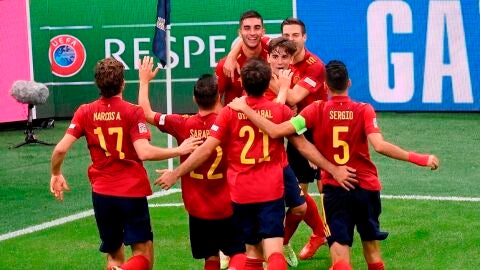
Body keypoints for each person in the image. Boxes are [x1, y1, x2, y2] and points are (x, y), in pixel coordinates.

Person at [227, 60, 440, 270]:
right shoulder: (364, 110)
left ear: (326, 87)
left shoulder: (314, 110)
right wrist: (420, 158)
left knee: (340, 260)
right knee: (373, 252)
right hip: (365, 188)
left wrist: (246, 109)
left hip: (335, 190)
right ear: (349, 83)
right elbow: (380, 146)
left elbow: (275, 131)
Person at [155, 58, 356, 270]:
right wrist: (333, 169)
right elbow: (304, 147)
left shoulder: (229, 112)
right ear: (269, 81)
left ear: (242, 83)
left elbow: (206, 150)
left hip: (241, 192)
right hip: (270, 189)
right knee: (274, 252)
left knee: (251, 252)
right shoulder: (280, 111)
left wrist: (176, 173)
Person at [49, 57, 202, 270]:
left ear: (98, 84)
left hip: (102, 194)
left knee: (114, 256)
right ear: (122, 83)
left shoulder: (84, 111)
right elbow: (144, 152)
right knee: (143, 255)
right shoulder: (132, 111)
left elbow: (60, 149)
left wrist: (56, 173)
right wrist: (179, 149)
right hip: (130, 192)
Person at [224, 18, 330, 261]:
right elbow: (243, 37)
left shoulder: (313, 67)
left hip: (302, 129)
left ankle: (290, 241)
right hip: (272, 148)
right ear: (268, 55)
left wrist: (279, 85)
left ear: (304, 38)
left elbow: (292, 100)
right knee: (296, 196)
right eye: (286, 35)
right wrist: (232, 56)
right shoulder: (258, 79)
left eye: (295, 36)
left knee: (303, 202)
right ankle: (249, 252)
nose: (290, 40)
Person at [137, 56, 246, 270]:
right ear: (218, 97)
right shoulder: (232, 120)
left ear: (194, 99)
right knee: (238, 253)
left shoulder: (182, 124)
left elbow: (146, 113)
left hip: (197, 208)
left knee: (211, 257)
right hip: (228, 204)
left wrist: (144, 81)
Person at [215, 10, 269, 105]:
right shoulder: (226, 65)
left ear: (263, 31)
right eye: (247, 28)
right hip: (234, 119)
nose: (252, 33)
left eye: (257, 28)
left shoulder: (274, 53)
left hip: (267, 117)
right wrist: (226, 117)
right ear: (240, 33)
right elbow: (214, 101)